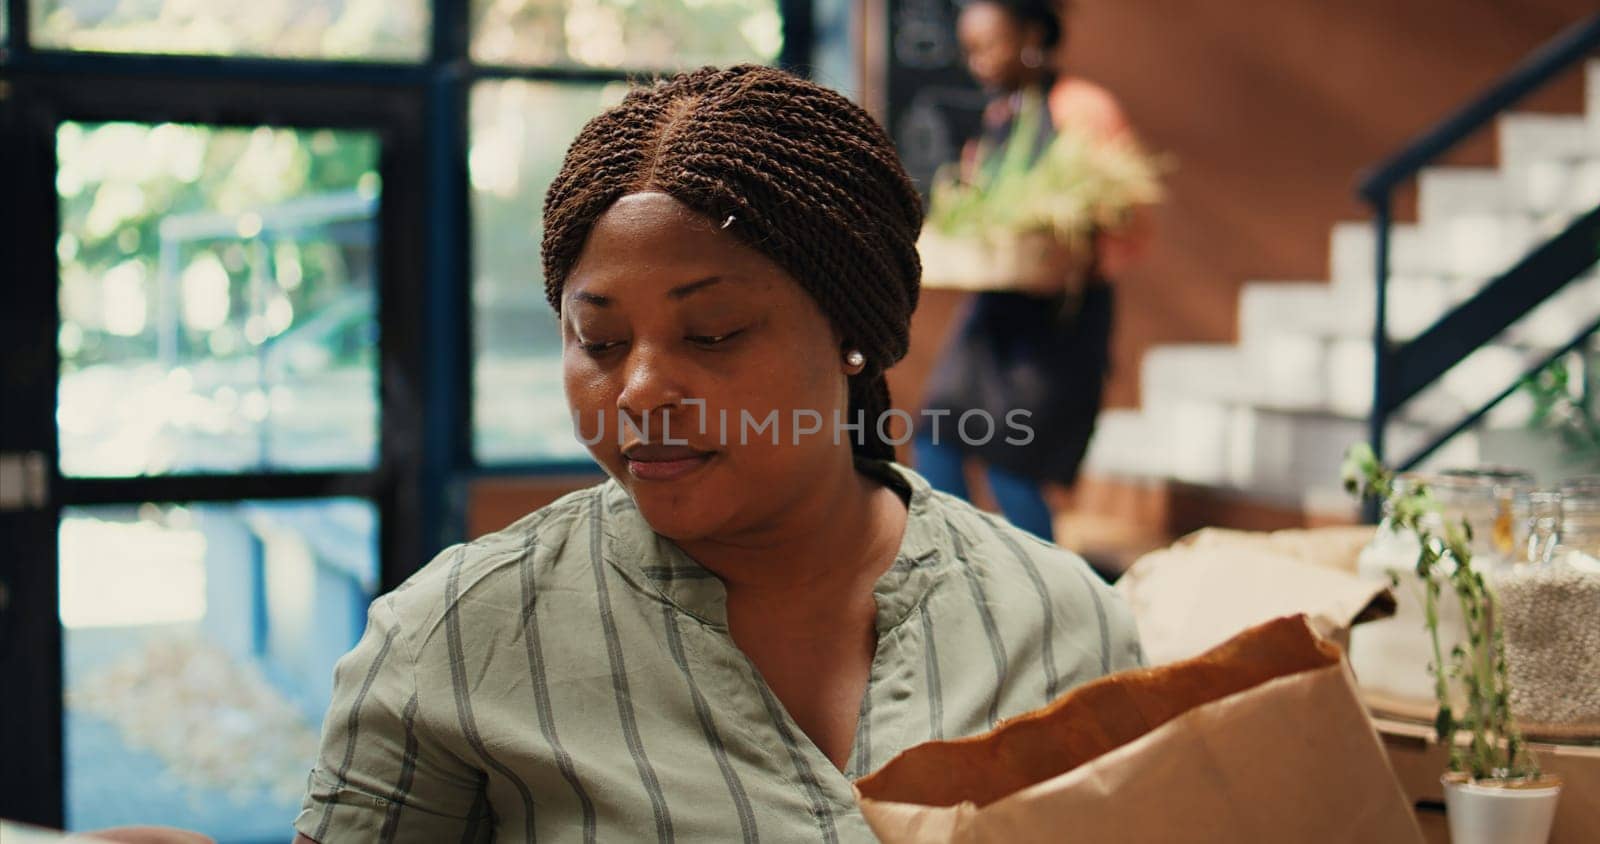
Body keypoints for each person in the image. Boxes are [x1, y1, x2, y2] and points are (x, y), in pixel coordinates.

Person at [294, 65, 1141, 843]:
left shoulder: (1062, 621)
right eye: (599, 340)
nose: (640, 391)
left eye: (714, 332)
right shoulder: (455, 638)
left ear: (855, 334)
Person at [915, 0, 1151, 542]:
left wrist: (1072, 250)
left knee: (1013, 466)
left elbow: (1132, 218)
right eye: (969, 49)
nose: (976, 62)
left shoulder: (1084, 110)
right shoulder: (999, 119)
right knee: (937, 438)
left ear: (1029, 36)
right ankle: (967, 567)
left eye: (987, 46)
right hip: (996, 312)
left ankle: (1049, 594)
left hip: (1059, 321)